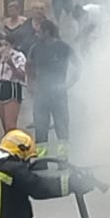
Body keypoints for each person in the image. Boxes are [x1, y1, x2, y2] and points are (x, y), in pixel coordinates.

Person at [27, 19, 80, 158]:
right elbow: (29, 66)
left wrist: (68, 84)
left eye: (39, 32)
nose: (36, 35)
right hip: (41, 95)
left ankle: (63, 159)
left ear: (47, 32)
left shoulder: (63, 47)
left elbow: (78, 66)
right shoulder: (35, 48)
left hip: (58, 95)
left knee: (61, 127)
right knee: (40, 128)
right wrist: (31, 83)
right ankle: (42, 159)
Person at [0, 37, 27, 134]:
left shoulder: (18, 56)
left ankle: (13, 144)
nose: (4, 48)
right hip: (0, 85)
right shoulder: (0, 57)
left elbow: (22, 75)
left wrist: (11, 64)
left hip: (12, 86)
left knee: (10, 125)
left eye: (6, 45)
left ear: (12, 45)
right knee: (4, 124)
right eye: (2, 45)